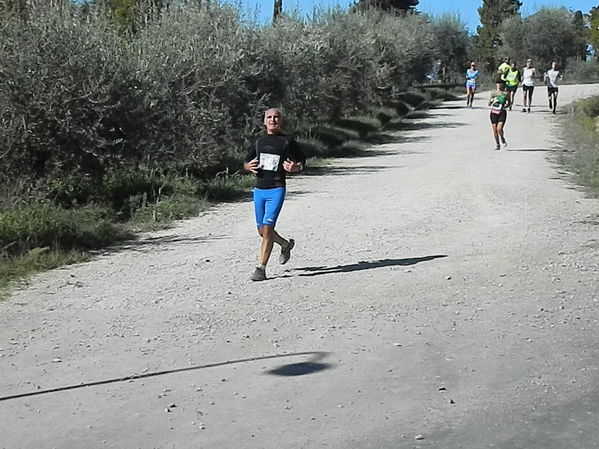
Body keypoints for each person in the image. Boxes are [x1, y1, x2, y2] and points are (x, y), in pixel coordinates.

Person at [243, 107, 306, 282]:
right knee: (262, 231)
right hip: (259, 190)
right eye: (269, 117)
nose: (273, 120)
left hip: (277, 189)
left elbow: (303, 161)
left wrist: (296, 167)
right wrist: (248, 167)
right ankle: (285, 244)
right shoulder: (258, 141)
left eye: (276, 117)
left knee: (268, 229)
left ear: (281, 121)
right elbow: (246, 162)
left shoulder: (287, 141)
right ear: (264, 121)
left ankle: (260, 268)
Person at [488, 81, 511, 151]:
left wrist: (505, 106)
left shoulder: (505, 94)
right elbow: (489, 104)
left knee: (499, 128)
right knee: (494, 130)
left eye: (500, 84)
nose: (499, 85)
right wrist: (491, 101)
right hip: (493, 112)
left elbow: (509, 103)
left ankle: (502, 138)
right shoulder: (493, 93)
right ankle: (497, 144)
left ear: (502, 85)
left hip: (502, 112)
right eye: (497, 84)